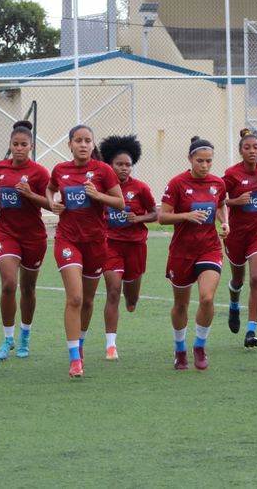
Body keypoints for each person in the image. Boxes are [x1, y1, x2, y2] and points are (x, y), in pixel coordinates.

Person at [46, 124, 124, 378]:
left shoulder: (103, 171)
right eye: (78, 140)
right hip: (67, 240)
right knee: (76, 298)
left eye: (87, 140)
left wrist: (99, 196)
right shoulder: (60, 170)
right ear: (69, 145)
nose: (82, 144)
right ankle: (74, 359)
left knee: (88, 300)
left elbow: (120, 203)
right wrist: (52, 202)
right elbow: (50, 188)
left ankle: (79, 344)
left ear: (93, 145)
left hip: (95, 243)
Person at [159, 136, 229, 371]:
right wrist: (185, 216)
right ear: (190, 159)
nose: (205, 165)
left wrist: (225, 222)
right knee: (181, 305)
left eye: (209, 161)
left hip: (209, 248)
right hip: (181, 252)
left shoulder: (218, 183)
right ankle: (180, 349)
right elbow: (162, 217)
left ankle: (199, 345)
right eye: (200, 161)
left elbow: (221, 204)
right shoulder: (177, 184)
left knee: (207, 298)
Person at [0, 121, 51, 361]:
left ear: (31, 146)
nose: (19, 148)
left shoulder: (39, 173)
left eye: (24, 144)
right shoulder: (0, 167)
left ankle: (25, 335)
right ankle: (8, 338)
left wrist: (30, 194)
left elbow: (52, 204)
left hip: (33, 236)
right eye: (15, 144)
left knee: (28, 288)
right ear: (10, 145)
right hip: (6, 232)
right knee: (8, 284)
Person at [98, 135, 157, 360]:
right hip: (109, 244)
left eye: (128, 165)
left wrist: (139, 218)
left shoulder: (140, 188)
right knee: (113, 290)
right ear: (109, 165)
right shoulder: (101, 188)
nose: (124, 168)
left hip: (135, 246)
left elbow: (155, 213)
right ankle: (111, 345)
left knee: (131, 299)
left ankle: (131, 300)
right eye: (119, 164)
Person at [222, 128, 257, 348]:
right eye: (247, 147)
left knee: (256, 278)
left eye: (255, 147)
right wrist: (236, 202)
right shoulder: (231, 174)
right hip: (236, 234)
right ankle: (234, 305)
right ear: (240, 151)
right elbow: (218, 201)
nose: (252, 151)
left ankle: (251, 330)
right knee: (238, 280)